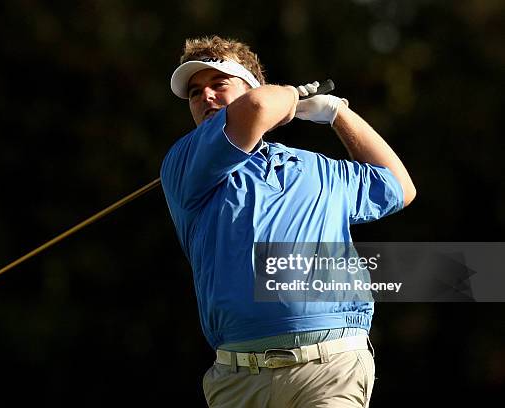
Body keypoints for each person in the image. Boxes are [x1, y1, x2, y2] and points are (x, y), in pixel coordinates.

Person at [160, 35, 416, 408]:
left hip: (332, 369)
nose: (206, 97)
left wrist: (336, 113)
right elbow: (260, 106)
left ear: (250, 85)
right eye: (196, 93)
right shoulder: (185, 165)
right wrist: (290, 101)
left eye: (219, 84)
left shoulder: (315, 168)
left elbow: (399, 186)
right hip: (239, 380)